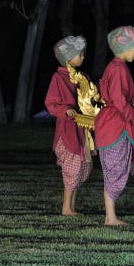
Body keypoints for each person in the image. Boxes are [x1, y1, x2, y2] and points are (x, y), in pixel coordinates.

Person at [95, 26, 134, 226]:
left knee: (116, 169)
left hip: (115, 123)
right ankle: (110, 217)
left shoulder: (118, 67)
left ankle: (111, 216)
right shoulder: (117, 68)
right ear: (124, 47)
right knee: (114, 169)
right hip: (114, 126)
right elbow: (118, 100)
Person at [44, 35, 93, 216]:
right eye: (79, 54)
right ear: (67, 57)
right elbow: (51, 103)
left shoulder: (83, 78)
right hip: (68, 131)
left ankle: (72, 206)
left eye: (83, 54)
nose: (82, 57)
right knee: (72, 167)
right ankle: (66, 208)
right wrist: (65, 110)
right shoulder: (59, 78)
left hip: (83, 132)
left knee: (84, 168)